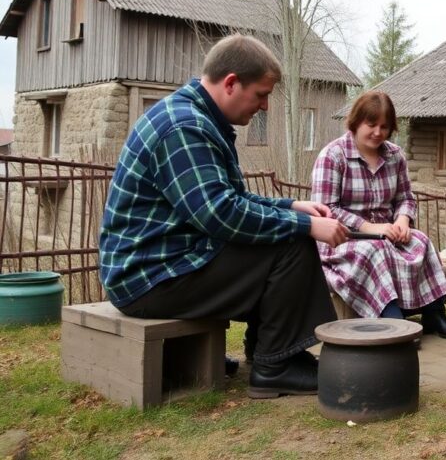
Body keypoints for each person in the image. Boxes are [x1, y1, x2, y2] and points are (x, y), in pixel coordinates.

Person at [99, 34, 349, 399]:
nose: (264, 106)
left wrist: (291, 207)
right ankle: (275, 366)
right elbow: (221, 215)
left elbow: (229, 198)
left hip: (164, 262)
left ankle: (270, 353)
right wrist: (308, 225)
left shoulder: (197, 119)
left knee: (288, 231)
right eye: (261, 94)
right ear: (231, 83)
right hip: (148, 277)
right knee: (293, 244)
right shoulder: (184, 128)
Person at [311, 91, 446, 340]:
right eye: (371, 125)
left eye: (384, 127)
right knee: (374, 251)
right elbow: (326, 210)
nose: (378, 132)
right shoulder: (333, 156)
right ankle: (391, 318)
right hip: (341, 238)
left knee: (421, 240)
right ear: (356, 122)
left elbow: (405, 198)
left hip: (386, 234)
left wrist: (402, 220)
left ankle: (433, 312)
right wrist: (369, 227)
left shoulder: (395, 156)